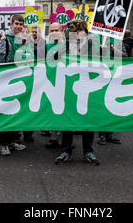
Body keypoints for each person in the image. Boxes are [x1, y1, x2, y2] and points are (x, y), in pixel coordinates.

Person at [54, 20, 100, 166]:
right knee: (68, 118)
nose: (78, 34)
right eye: (76, 31)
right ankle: (66, 151)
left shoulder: (93, 46)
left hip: (88, 88)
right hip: (69, 88)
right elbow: (54, 58)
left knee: (88, 118)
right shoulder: (66, 45)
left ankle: (88, 151)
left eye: (81, 31)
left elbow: (101, 64)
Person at [0, 14, 28, 156]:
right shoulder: (5, 39)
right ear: (11, 24)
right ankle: (3, 144)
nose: (19, 26)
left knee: (17, 111)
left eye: (21, 24)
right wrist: (2, 45)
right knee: (7, 111)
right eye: (16, 24)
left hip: (20, 79)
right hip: (7, 80)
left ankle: (14, 140)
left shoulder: (23, 39)